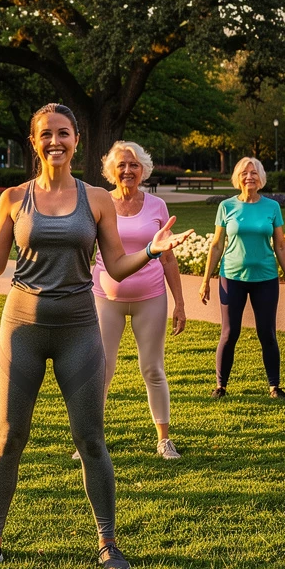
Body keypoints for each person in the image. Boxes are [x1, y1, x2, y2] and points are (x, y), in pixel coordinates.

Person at [0, 103, 193, 569]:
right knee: (9, 436)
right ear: (34, 141)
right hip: (21, 329)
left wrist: (150, 250)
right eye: (46, 134)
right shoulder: (13, 198)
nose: (55, 142)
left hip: (79, 329)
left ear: (76, 140)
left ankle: (108, 542)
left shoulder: (96, 199)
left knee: (91, 439)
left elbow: (115, 263)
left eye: (64, 134)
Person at [91, 140, 187, 459]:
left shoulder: (156, 206)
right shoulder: (100, 202)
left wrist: (180, 304)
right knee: (101, 368)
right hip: (106, 298)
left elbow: (168, 258)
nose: (128, 170)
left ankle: (163, 439)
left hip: (151, 296)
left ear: (143, 169)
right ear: (111, 171)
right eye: (121, 165)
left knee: (152, 368)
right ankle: (91, 439)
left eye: (133, 165)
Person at [198, 157, 285, 399]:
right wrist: (205, 280)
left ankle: (274, 387)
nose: (249, 177)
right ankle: (220, 387)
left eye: (254, 173)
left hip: (265, 277)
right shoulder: (226, 207)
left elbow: (281, 246)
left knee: (268, 333)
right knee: (229, 333)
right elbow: (217, 245)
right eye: (245, 173)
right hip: (231, 277)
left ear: (261, 177)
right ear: (238, 177)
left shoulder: (272, 207)